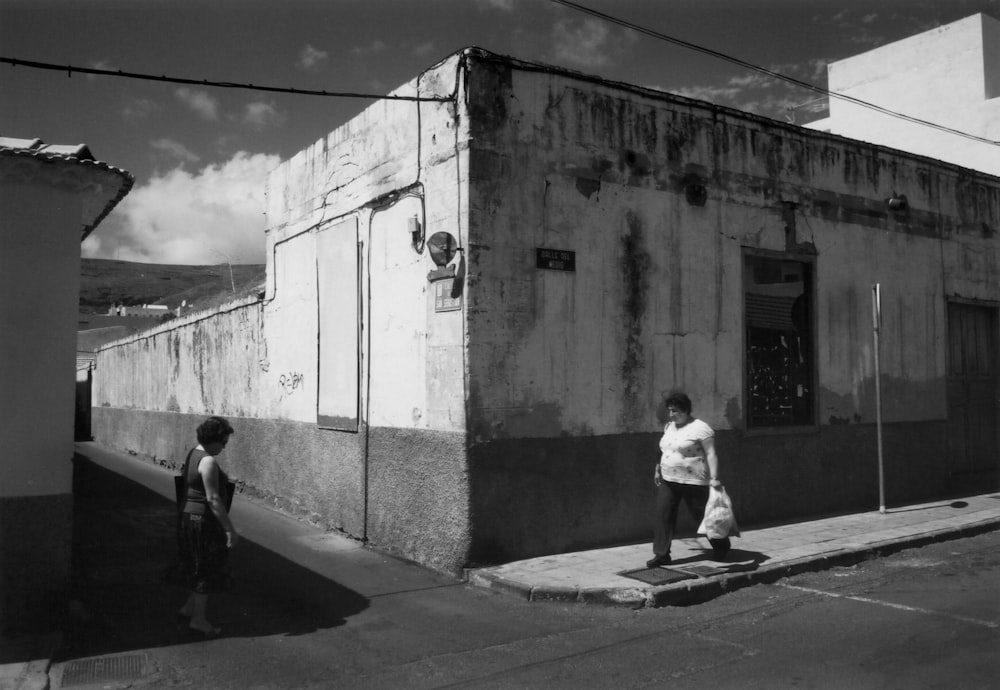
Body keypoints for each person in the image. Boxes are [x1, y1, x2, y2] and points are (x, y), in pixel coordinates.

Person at [647, 392, 731, 568]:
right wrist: (657, 469)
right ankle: (661, 555)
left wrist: (715, 478)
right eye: (669, 411)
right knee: (664, 515)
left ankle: (721, 546)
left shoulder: (701, 428)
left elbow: (711, 453)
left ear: (685, 410)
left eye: (675, 411)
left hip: (694, 481)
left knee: (703, 516)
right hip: (669, 479)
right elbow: (664, 450)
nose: (671, 415)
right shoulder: (669, 427)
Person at [175, 415, 238, 636]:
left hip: (188, 518)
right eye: (224, 442)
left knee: (197, 563)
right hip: (202, 521)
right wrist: (229, 528)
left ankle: (188, 608)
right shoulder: (208, 461)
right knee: (206, 568)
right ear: (215, 439)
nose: (224, 446)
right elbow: (212, 499)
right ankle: (198, 620)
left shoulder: (194, 453)